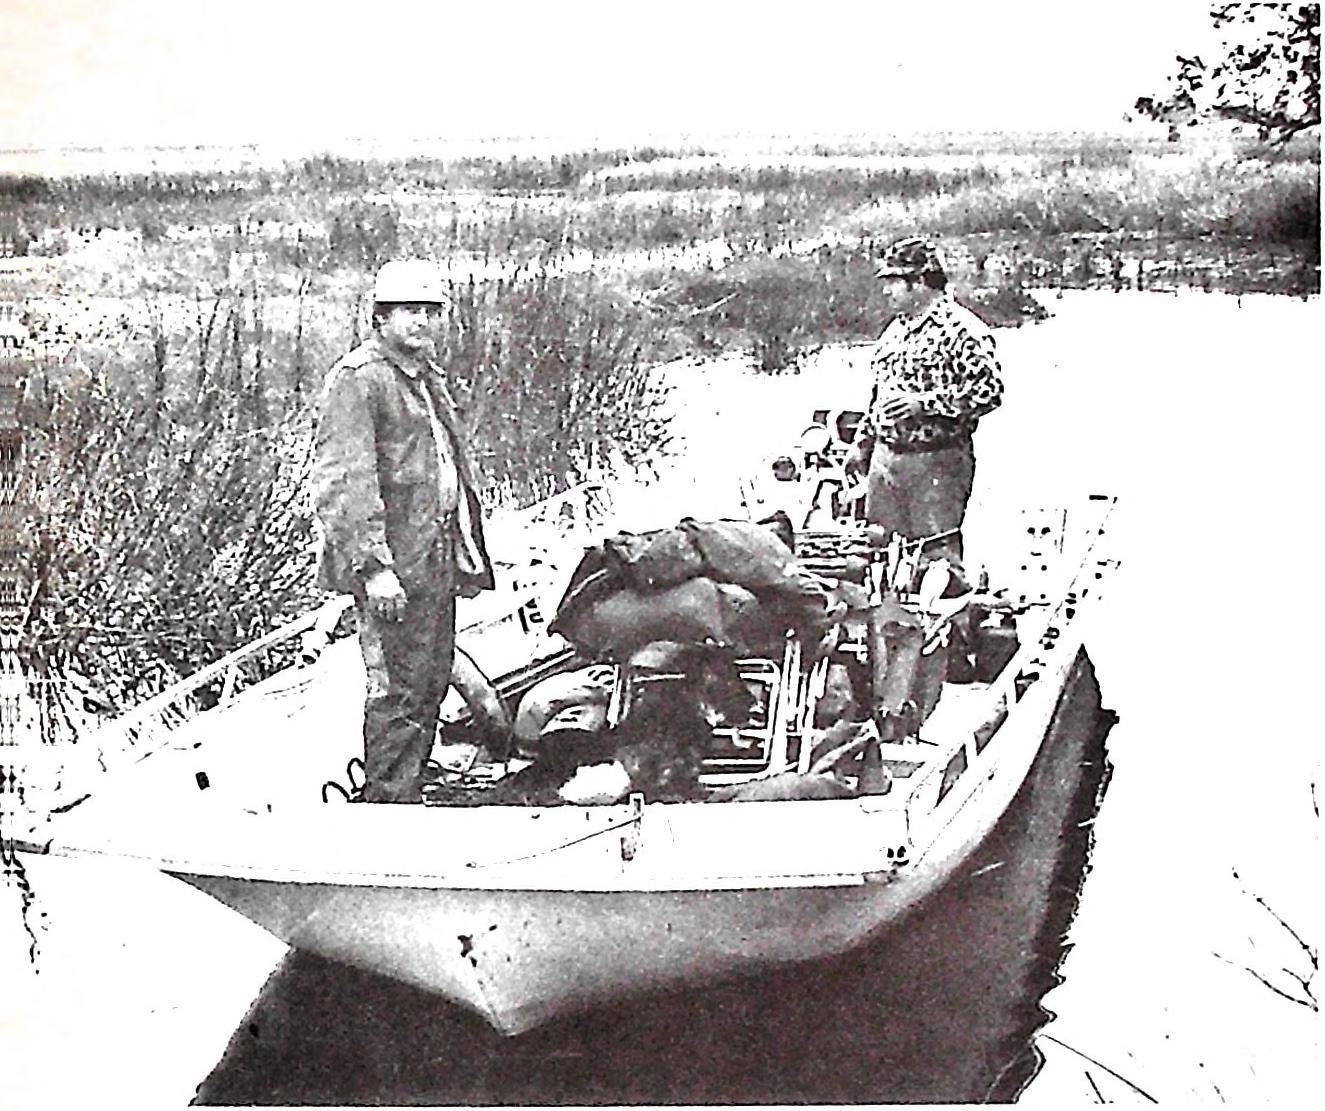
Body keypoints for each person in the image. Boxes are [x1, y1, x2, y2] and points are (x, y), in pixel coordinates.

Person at [311, 259, 494, 803]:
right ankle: (390, 797)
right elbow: (346, 483)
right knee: (396, 687)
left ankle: (411, 778)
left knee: (431, 676)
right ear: (381, 317)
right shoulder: (360, 380)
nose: (422, 321)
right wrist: (374, 568)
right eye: (409, 310)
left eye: (431, 311)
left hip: (433, 558)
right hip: (395, 567)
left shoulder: (424, 378)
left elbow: (445, 466)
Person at [845, 235, 1003, 583]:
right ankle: (887, 615)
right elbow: (878, 394)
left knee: (937, 558)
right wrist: (862, 444)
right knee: (877, 551)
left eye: (893, 282)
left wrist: (924, 404)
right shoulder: (894, 331)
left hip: (936, 462)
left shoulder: (963, 330)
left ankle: (945, 614)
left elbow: (989, 392)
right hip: (886, 460)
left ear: (918, 282)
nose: (886, 291)